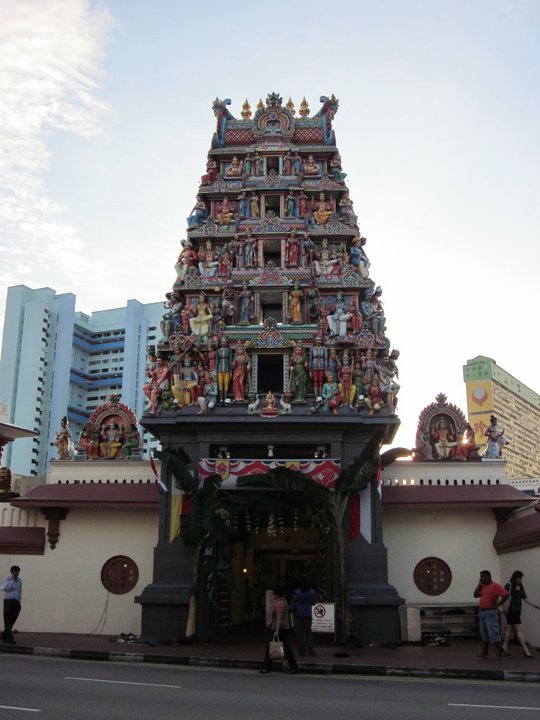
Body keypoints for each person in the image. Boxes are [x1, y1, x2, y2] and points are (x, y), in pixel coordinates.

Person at [259, 587, 299, 674]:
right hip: (282, 628)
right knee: (278, 647)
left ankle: (267, 667)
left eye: (274, 594)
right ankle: (268, 667)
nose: (273, 595)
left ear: (276, 594)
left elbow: (279, 618)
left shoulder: (279, 603)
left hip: (280, 628)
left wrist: (276, 631)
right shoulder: (284, 602)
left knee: (280, 648)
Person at [501, 571, 538, 658]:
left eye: (521, 578)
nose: (520, 580)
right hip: (511, 611)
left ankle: (504, 647)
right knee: (519, 629)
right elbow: (503, 596)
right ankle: (526, 650)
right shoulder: (509, 585)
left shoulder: (520, 586)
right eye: (519, 578)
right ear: (515, 577)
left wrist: (535, 605)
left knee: (510, 628)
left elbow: (525, 598)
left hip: (517, 611)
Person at [473, 570, 509, 658]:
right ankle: (485, 652)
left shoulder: (495, 586)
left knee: (494, 632)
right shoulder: (483, 586)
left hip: (491, 612)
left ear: (488, 577)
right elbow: (475, 595)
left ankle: (499, 652)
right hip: (482, 612)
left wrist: (499, 604)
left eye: (482, 576)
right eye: (480, 576)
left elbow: (506, 594)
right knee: (484, 633)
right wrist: (479, 584)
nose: (481, 578)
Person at [292, 578, 317, 657]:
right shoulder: (312, 592)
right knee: (308, 632)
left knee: (299, 633)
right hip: (307, 614)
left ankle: (301, 651)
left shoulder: (296, 592)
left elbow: (294, 601)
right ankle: (311, 651)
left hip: (297, 613)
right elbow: (313, 603)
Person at [1, 565, 21, 644]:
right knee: (7, 620)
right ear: (13, 572)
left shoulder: (19, 580)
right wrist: (13, 580)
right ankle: (9, 638)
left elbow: (19, 591)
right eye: (17, 571)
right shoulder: (7, 579)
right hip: (8, 601)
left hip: (16, 602)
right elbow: (7, 588)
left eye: (19, 572)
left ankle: (5, 634)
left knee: (12, 620)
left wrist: (19, 601)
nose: (18, 573)